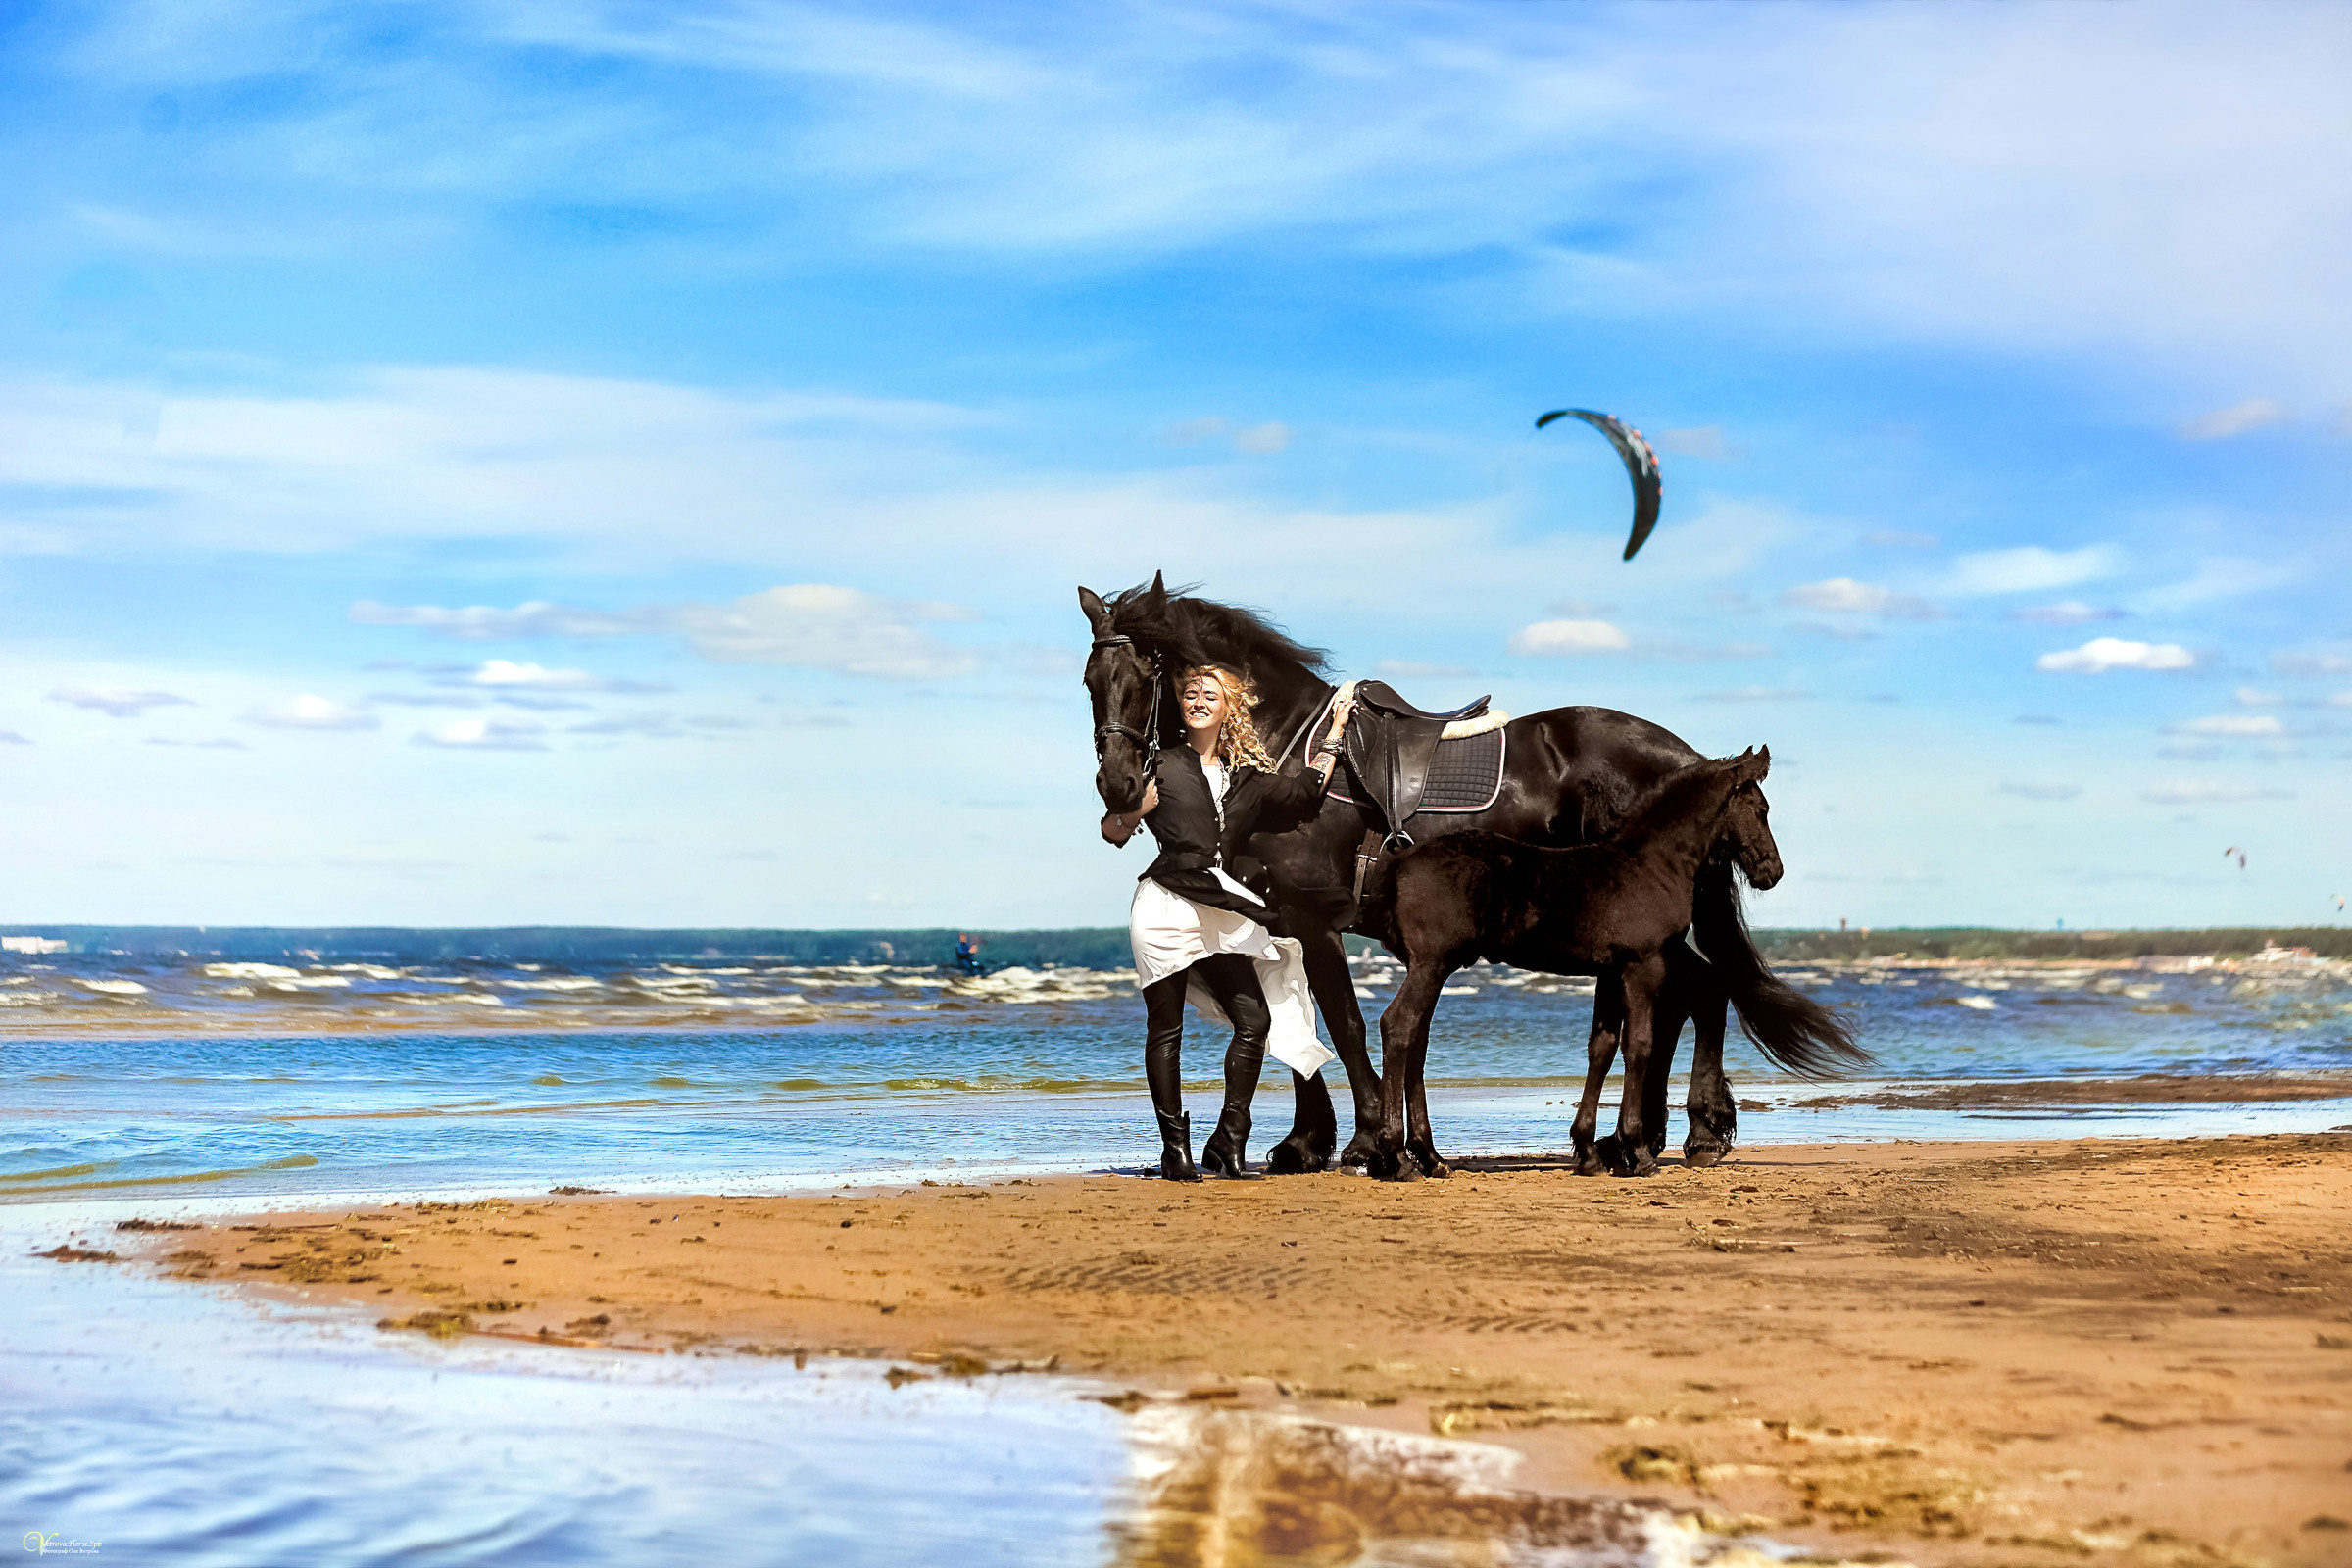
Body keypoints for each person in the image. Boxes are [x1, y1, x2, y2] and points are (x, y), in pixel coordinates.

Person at [1101, 666, 1355, 1180]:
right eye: (1190, 693)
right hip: (1165, 905)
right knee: (1165, 1028)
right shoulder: (1158, 763)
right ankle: (1176, 1149)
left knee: (1254, 1020)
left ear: (1226, 709)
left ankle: (1229, 1138)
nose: (1197, 700)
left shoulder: (1247, 781)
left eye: (1209, 695)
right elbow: (1112, 830)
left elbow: (1305, 795)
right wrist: (1135, 813)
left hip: (1219, 908)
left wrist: (1334, 733)